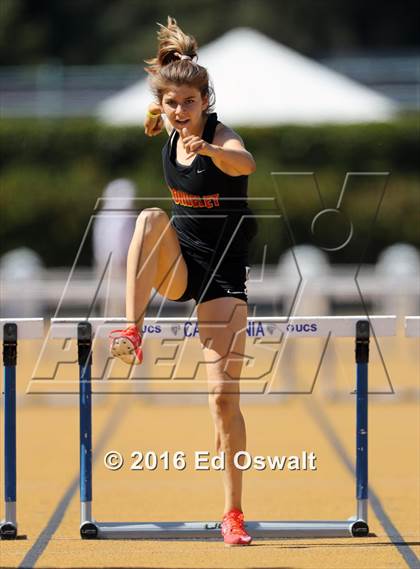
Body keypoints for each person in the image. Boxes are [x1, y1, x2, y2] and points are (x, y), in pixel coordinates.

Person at [109, 16, 257, 546]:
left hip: (223, 277)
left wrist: (211, 150)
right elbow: (160, 110)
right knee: (150, 219)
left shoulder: (219, 133)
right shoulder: (166, 126)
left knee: (222, 399)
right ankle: (132, 330)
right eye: (171, 104)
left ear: (205, 101)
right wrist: (165, 117)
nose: (180, 112)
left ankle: (233, 513)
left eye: (189, 104)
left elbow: (246, 163)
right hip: (181, 267)